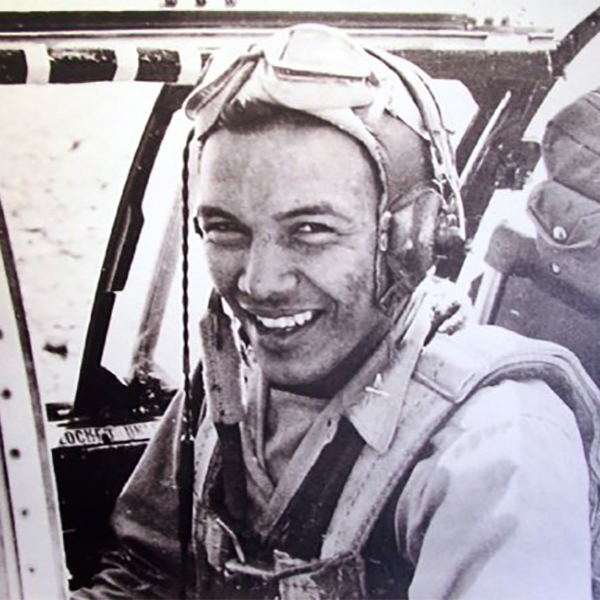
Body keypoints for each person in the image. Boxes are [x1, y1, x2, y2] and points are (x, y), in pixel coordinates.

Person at [76, 25, 599, 600]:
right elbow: (148, 573)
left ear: (413, 236)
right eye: (226, 229)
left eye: (310, 231)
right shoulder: (230, 379)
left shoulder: (494, 445)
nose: (258, 283)